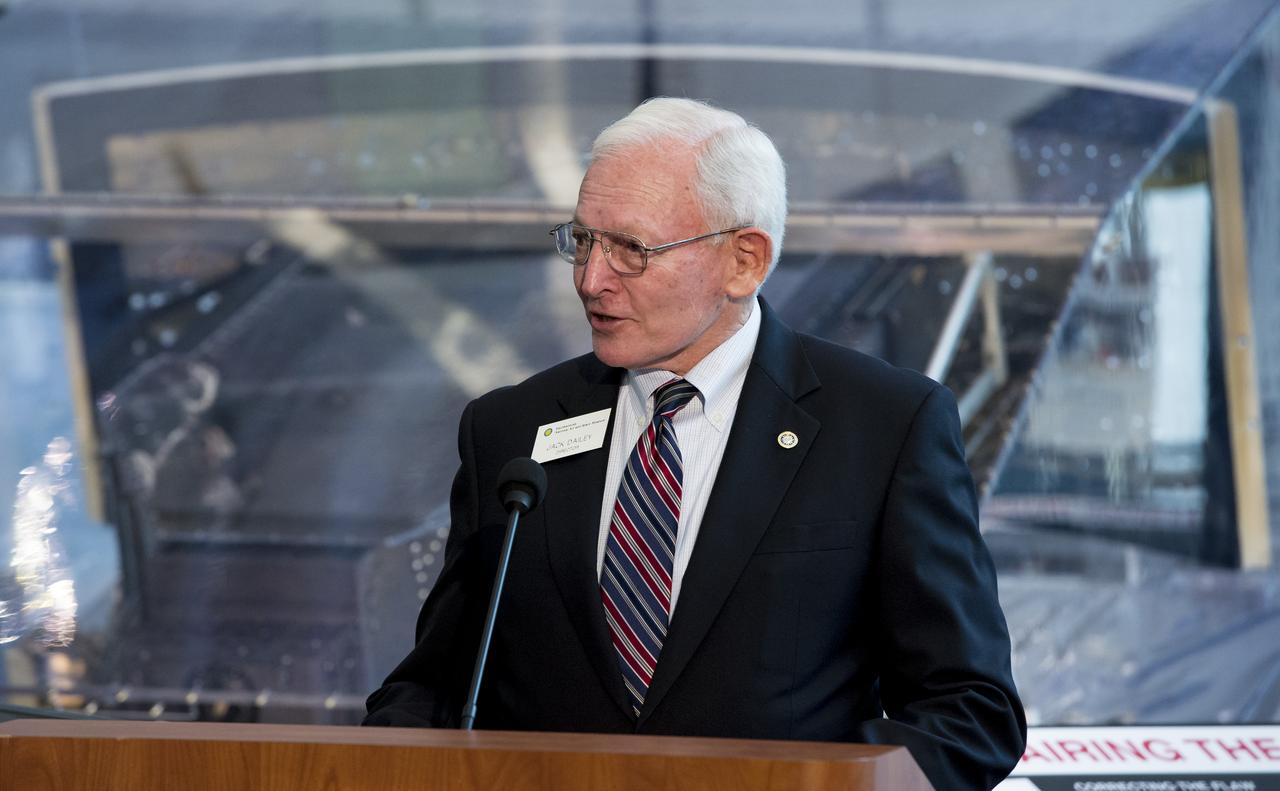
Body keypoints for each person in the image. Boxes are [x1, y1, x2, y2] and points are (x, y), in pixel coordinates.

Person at [364, 97, 1026, 790]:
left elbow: (969, 710)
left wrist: (813, 784)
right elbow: (434, 689)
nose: (591, 279)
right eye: (583, 241)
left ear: (743, 260)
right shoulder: (510, 429)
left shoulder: (886, 426)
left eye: (631, 249)